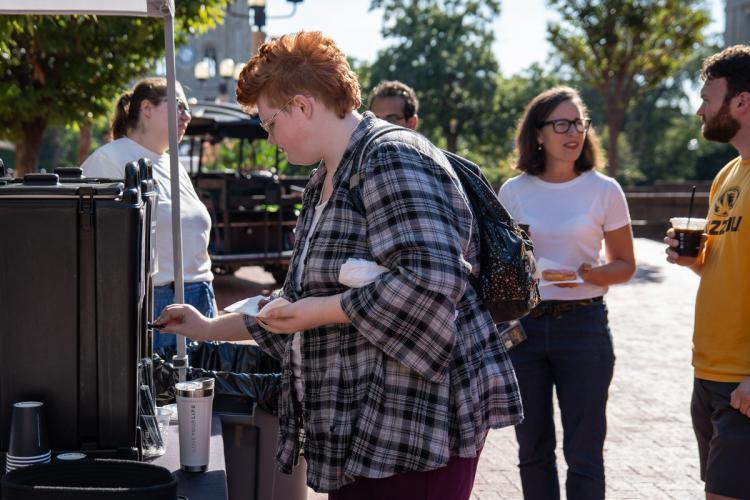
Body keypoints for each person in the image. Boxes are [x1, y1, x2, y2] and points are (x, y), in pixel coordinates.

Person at [155, 31, 522, 498]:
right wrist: (208, 328)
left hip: (417, 424)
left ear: (303, 106)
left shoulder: (391, 156)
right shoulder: (324, 180)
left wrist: (319, 311)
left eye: (270, 124)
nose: (270, 140)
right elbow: (300, 304)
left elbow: (431, 281)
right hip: (365, 429)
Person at [498, 86, 635, 500]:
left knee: (585, 453)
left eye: (578, 122)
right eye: (561, 123)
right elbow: (503, 269)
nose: (573, 132)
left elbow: (625, 264)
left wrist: (593, 272)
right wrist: (527, 275)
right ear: (538, 134)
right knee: (533, 451)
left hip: (585, 327)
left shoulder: (605, 190)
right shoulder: (513, 191)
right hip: (526, 332)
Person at [664, 45, 750, 500]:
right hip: (710, 371)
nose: (699, 109)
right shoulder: (726, 176)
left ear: (742, 101)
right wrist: (695, 261)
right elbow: (729, 269)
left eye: (707, 97)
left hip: (744, 378)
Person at [81, 77, 215, 352]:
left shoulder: (173, 163)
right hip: (159, 303)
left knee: (202, 391)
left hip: (200, 296)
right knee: (164, 393)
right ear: (147, 108)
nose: (186, 115)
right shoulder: (110, 160)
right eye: (178, 106)